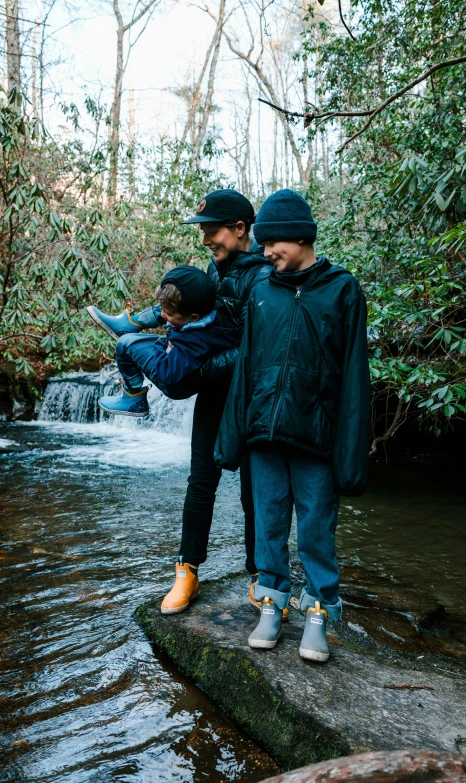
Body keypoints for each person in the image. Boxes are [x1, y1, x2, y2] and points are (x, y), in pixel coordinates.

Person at [87, 189, 275, 615]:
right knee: (200, 483)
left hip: (247, 397)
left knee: (253, 492)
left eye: (212, 231)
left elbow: (254, 346)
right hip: (212, 396)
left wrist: (199, 370)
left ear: (240, 229)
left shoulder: (262, 278)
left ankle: (260, 575)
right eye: (204, 231)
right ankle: (187, 571)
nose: (206, 238)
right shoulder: (213, 268)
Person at [215, 189, 371, 663]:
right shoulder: (262, 291)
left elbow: (353, 378)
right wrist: (231, 437)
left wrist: (350, 454)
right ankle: (272, 601)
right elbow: (245, 366)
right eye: (262, 245)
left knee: (317, 528)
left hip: (315, 435)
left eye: (272, 245)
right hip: (264, 432)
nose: (265, 254)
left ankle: (320, 610)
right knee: (268, 521)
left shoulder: (343, 289)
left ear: (299, 237)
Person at [97, 266, 239, 417]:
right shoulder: (212, 312)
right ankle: (130, 323)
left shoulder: (194, 342)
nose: (163, 315)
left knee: (124, 344)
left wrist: (163, 343)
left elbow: (167, 375)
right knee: (174, 302)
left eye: (169, 314)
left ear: (194, 317)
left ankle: (133, 398)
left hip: (175, 382)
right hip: (179, 360)